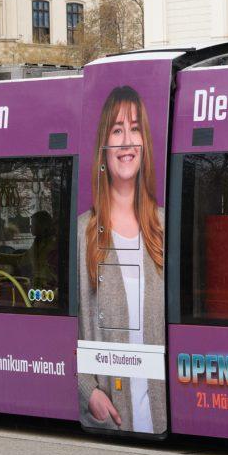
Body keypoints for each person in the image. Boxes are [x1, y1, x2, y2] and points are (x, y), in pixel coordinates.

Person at [79, 86, 167, 434]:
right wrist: (89, 392)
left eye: (134, 129)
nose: (127, 141)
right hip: (113, 421)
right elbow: (64, 327)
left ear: (144, 141)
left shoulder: (164, 227)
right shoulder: (83, 232)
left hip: (162, 418)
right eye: (117, 130)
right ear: (104, 145)